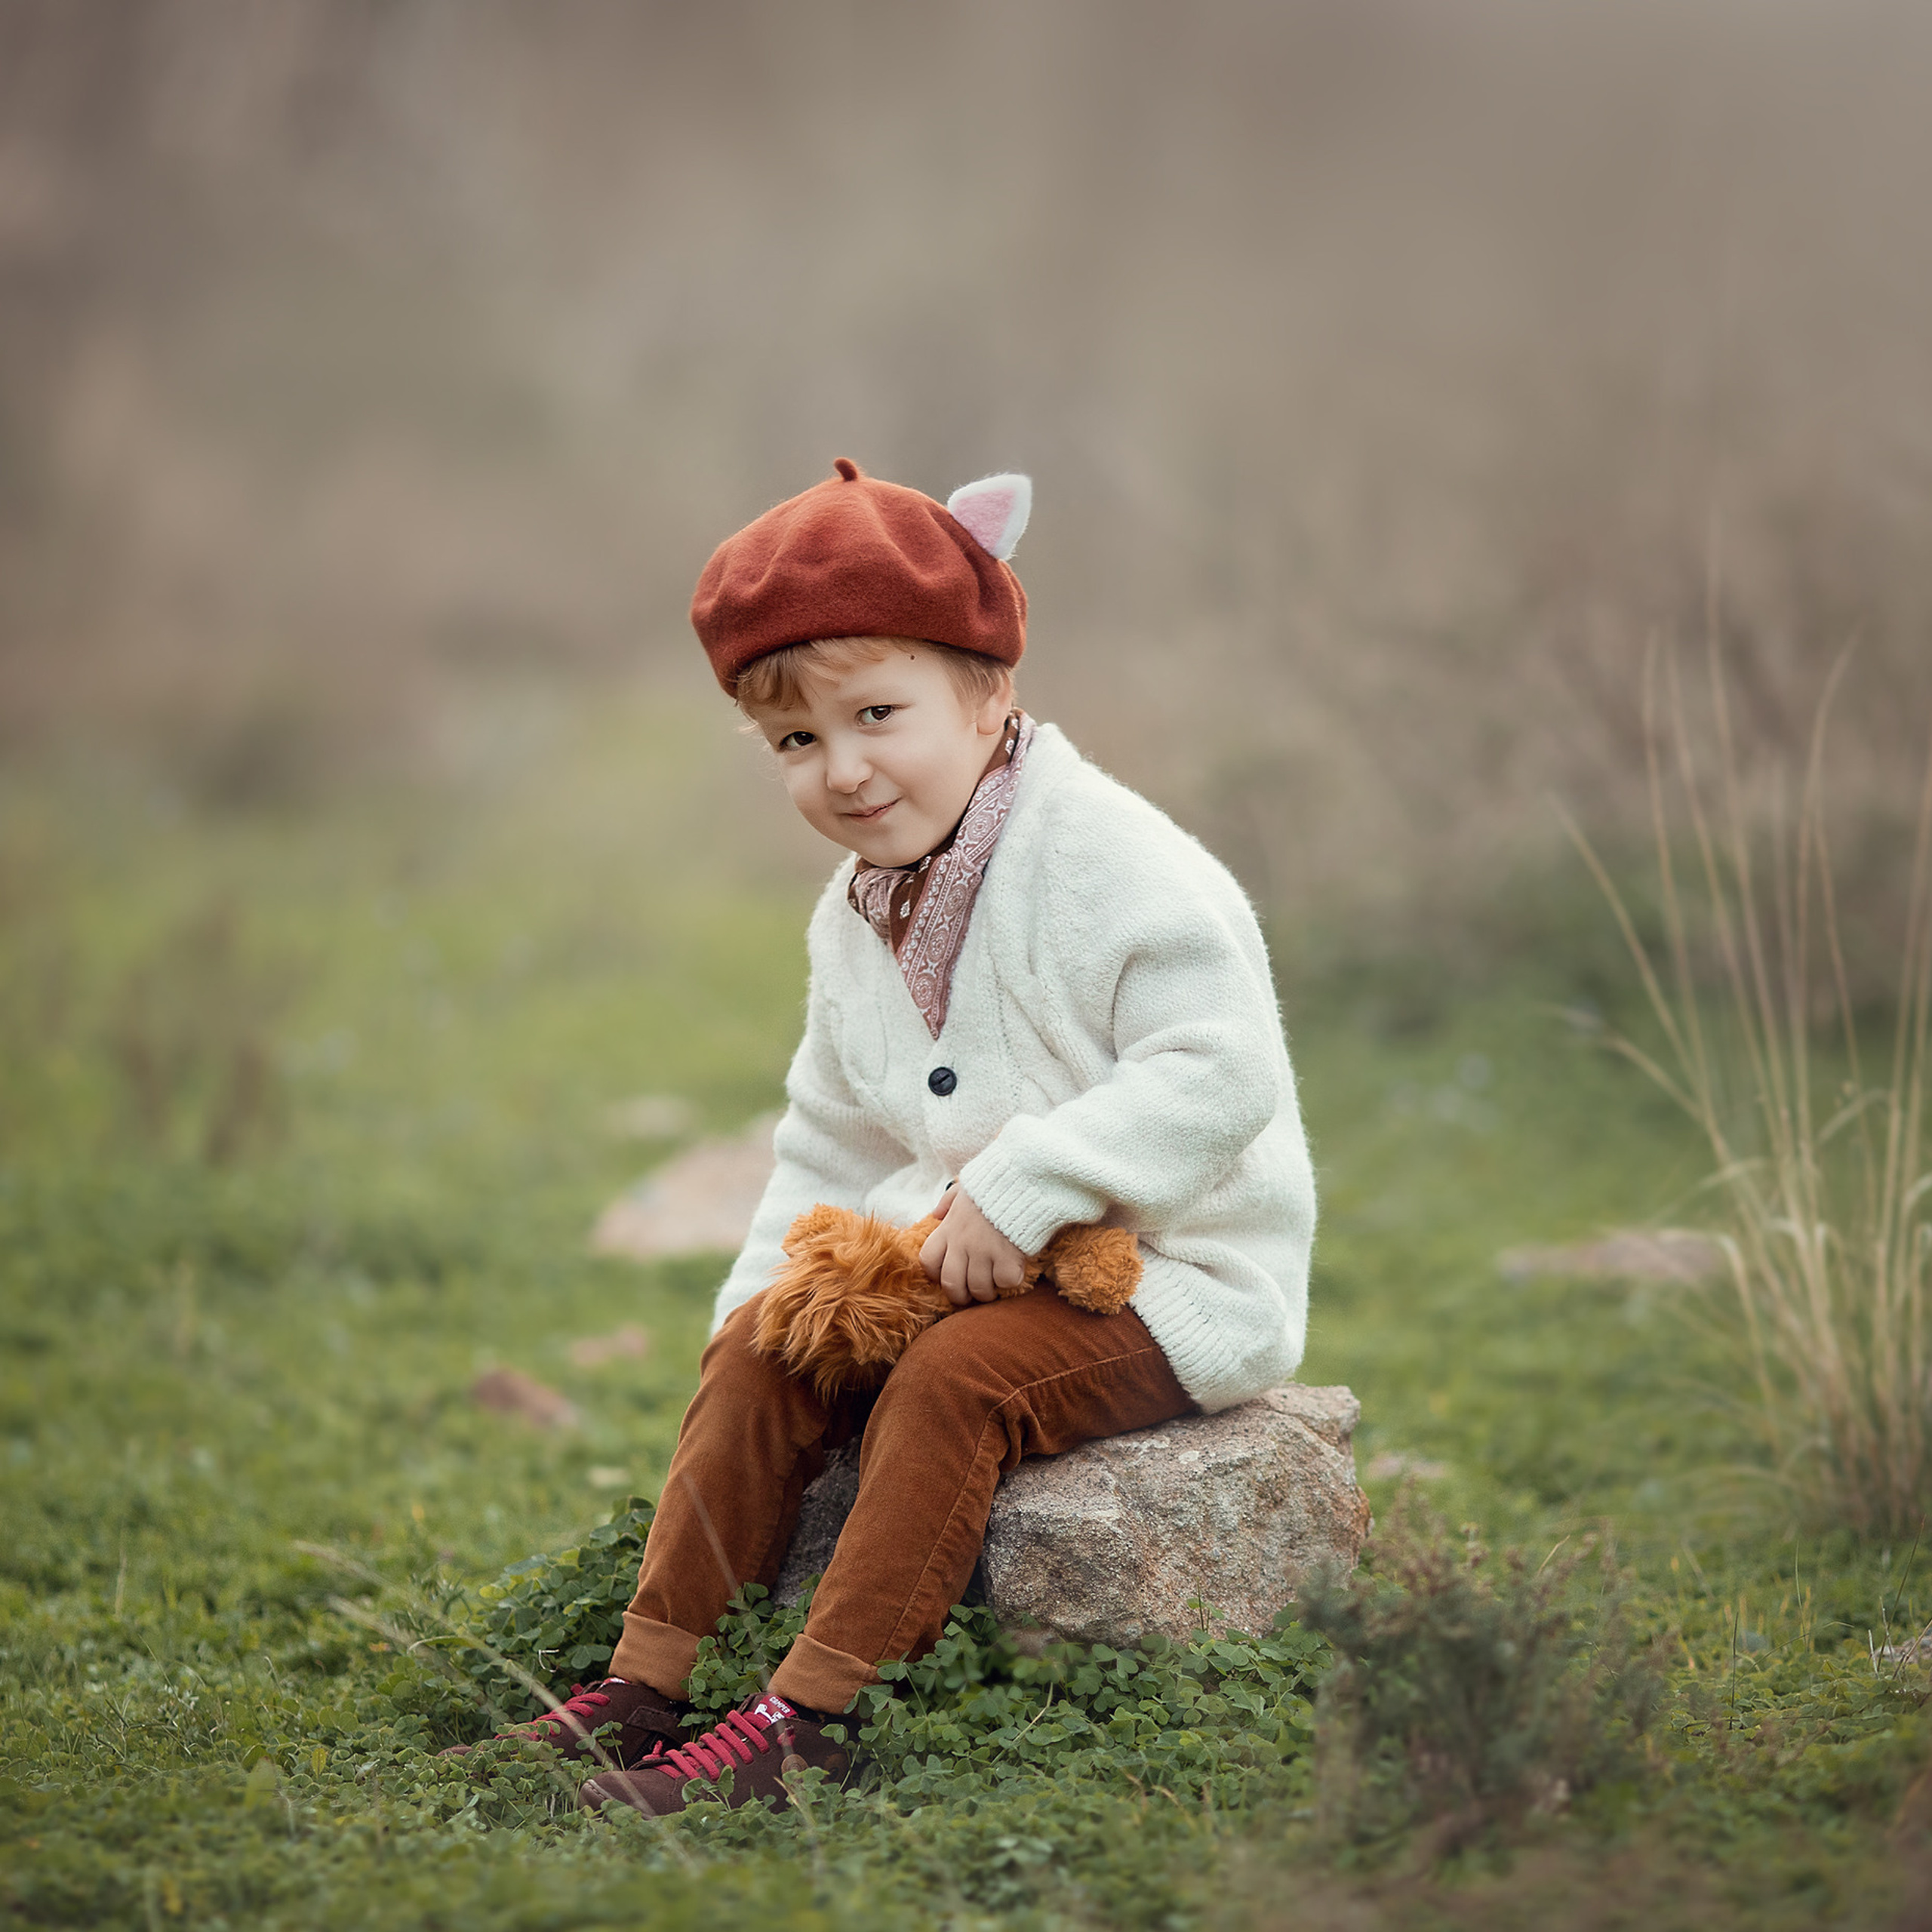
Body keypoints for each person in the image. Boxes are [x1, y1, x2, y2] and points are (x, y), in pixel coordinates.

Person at [491, 459, 1317, 1816]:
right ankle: (646, 1682)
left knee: (957, 1383)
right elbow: (824, 1137)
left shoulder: (1118, 865)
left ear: (989, 689)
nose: (846, 771)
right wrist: (753, 1310)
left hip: (1167, 1277)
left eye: (879, 714)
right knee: (774, 1343)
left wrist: (1028, 1180)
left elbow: (1221, 1074)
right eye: (798, 744)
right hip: (944, 1259)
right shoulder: (858, 910)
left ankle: (809, 1720)